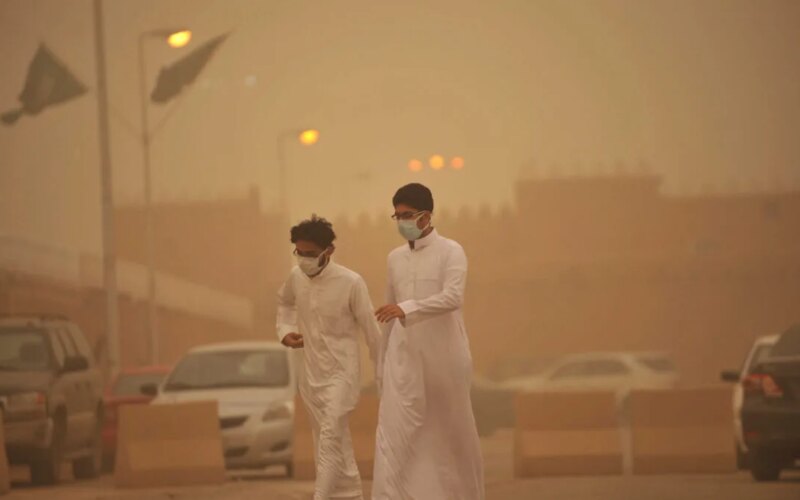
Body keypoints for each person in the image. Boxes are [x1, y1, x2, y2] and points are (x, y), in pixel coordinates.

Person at [372, 183, 485, 499]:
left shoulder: (451, 251)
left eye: (407, 215)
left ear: (426, 216)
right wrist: (381, 366)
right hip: (403, 361)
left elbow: (452, 297)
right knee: (397, 436)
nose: (401, 222)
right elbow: (387, 316)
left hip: (445, 360)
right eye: (396, 216)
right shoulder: (394, 258)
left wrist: (407, 308)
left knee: (450, 438)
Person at [276, 215, 381, 500]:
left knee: (331, 435)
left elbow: (372, 332)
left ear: (328, 251)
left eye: (310, 254)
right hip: (310, 376)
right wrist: (285, 331)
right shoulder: (296, 278)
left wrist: (384, 371)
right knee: (328, 439)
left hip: (342, 374)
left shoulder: (351, 282)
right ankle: (351, 495)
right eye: (299, 253)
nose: (303, 260)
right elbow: (284, 303)